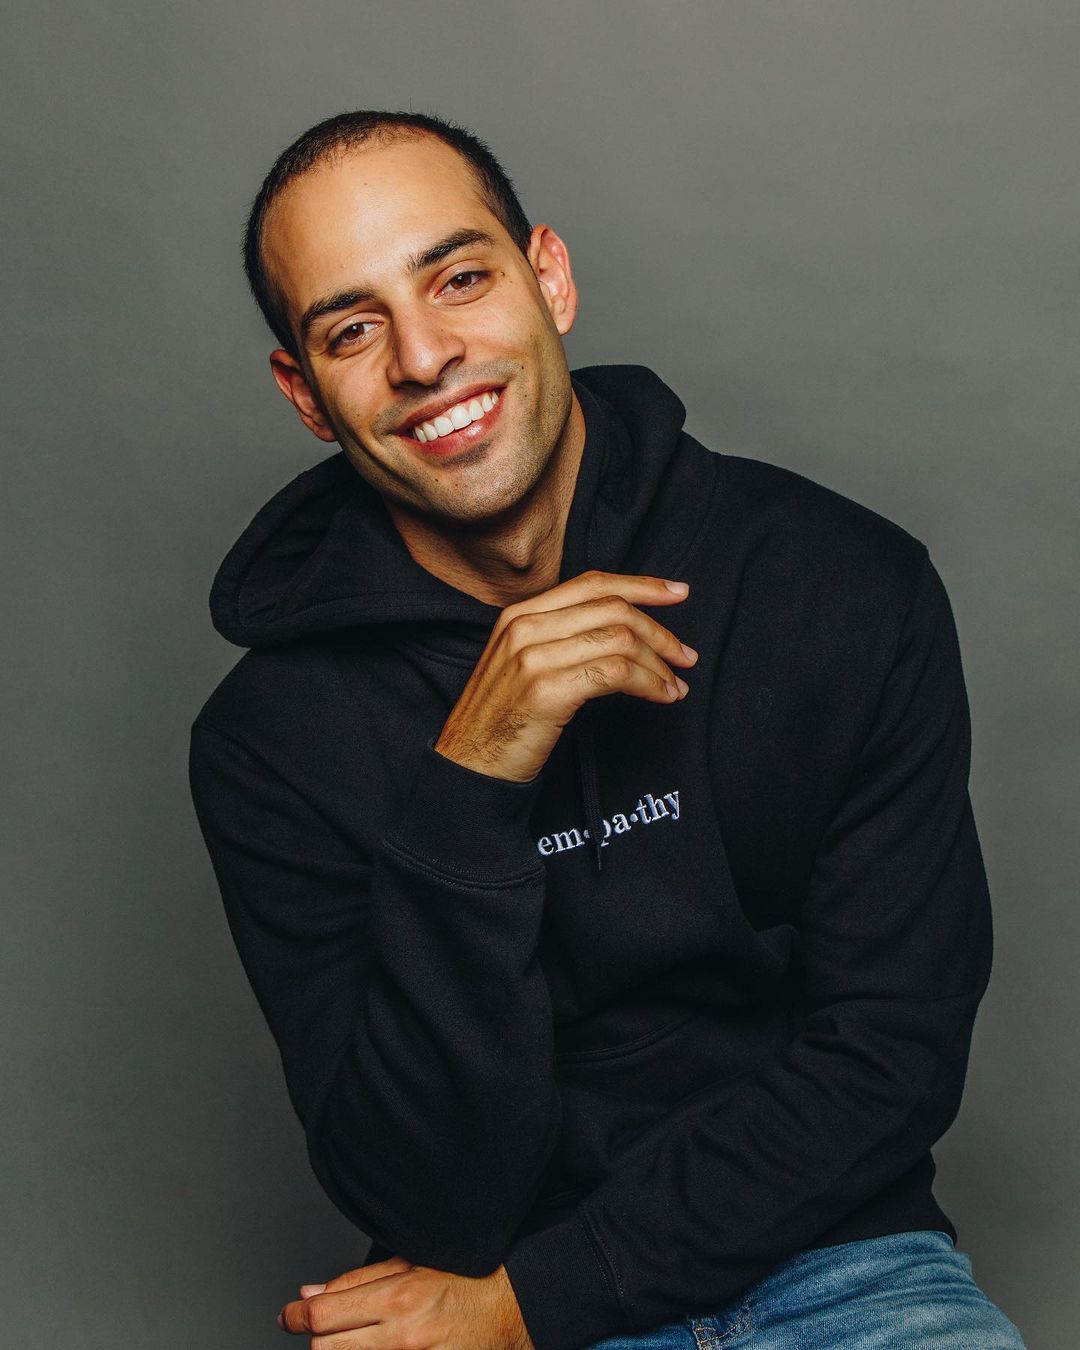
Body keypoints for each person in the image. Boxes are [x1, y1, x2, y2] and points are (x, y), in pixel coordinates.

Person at [187, 110, 1027, 1349]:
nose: (424, 356)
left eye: (459, 279)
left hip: (843, 1265)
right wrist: (472, 780)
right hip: (471, 1278)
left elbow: (889, 1057)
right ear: (305, 394)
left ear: (552, 278)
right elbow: (417, 1190)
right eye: (352, 329)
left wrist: (537, 1303)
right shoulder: (268, 741)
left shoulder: (842, 585)